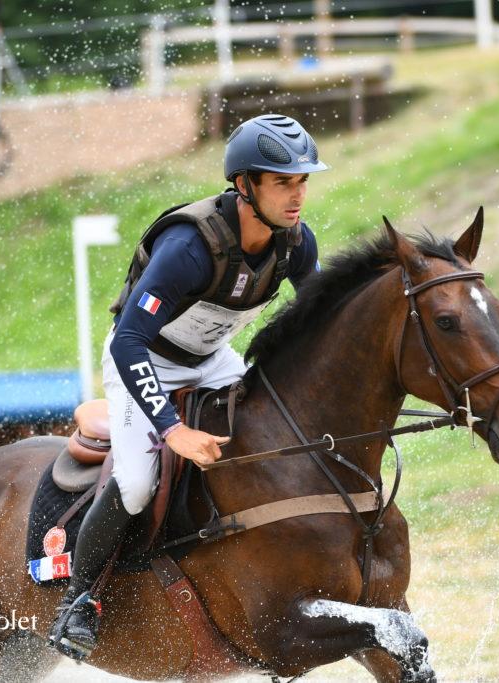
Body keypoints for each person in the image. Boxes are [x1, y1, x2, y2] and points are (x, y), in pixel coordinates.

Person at [49, 113, 330, 660]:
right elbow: (130, 338)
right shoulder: (190, 247)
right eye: (282, 182)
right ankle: (78, 602)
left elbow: (318, 317)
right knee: (135, 484)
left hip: (211, 359)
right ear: (245, 185)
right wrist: (172, 429)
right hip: (142, 361)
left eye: (302, 181)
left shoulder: (296, 243)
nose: (296, 196)